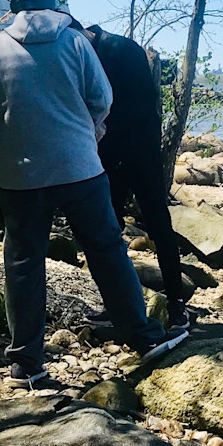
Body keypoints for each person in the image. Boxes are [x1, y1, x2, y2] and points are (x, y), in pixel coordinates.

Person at [0, 0, 188, 386]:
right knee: (107, 250)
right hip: (81, 170)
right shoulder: (74, 42)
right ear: (52, 0)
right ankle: (143, 337)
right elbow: (103, 98)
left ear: (13, 5)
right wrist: (89, 130)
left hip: (21, 176)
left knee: (24, 263)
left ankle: (26, 363)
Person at [80, 22, 191, 331]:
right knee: (108, 231)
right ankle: (116, 305)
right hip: (107, 153)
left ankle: (176, 304)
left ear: (84, 34)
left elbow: (140, 106)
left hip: (139, 153)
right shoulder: (91, 49)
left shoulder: (122, 49)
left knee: (159, 227)